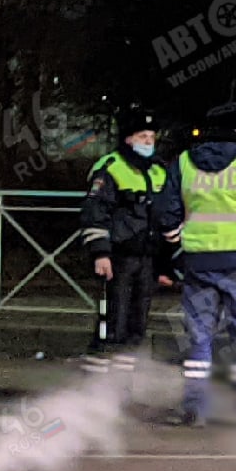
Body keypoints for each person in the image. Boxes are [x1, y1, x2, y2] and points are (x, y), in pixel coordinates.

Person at [153, 102, 236, 427]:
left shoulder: (184, 162)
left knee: (199, 337)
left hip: (198, 262)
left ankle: (195, 407)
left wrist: (175, 236)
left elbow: (165, 214)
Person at [79, 108, 174, 363]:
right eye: (142, 136)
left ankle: (126, 388)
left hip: (147, 259)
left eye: (151, 137)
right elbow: (95, 212)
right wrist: (100, 253)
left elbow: (165, 217)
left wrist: (167, 264)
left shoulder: (159, 170)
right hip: (118, 257)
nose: (148, 142)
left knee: (137, 325)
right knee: (112, 322)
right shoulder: (111, 167)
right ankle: (96, 388)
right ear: (128, 139)